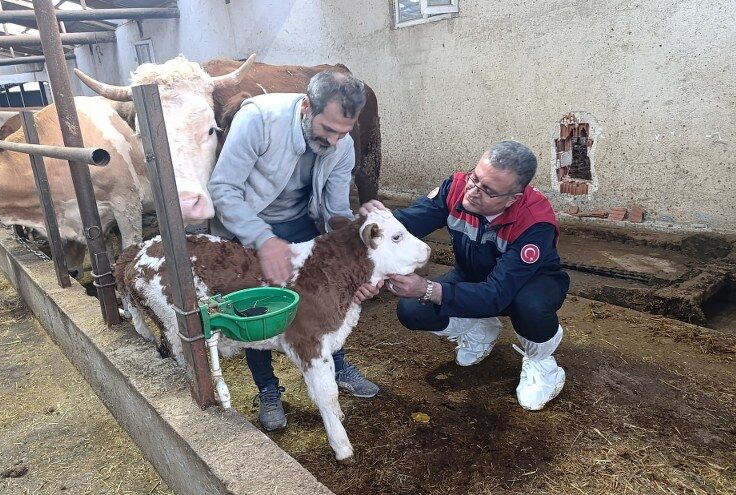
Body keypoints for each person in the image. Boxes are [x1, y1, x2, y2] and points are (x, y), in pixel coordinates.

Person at [208, 71, 380, 431]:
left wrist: (355, 228)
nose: (333, 141)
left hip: (303, 222)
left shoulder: (342, 145)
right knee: (256, 307)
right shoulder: (258, 120)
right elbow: (223, 189)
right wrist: (263, 239)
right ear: (306, 106)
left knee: (326, 298)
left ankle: (337, 363)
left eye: (343, 132)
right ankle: (268, 389)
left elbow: (333, 210)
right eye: (327, 129)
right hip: (247, 223)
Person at [356, 141, 569, 411]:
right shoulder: (456, 189)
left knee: (531, 307)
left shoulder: (534, 223)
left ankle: (541, 362)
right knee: (412, 310)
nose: (473, 191)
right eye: (475, 177)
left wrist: (427, 289)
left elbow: (496, 294)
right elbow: (406, 224)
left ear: (513, 198)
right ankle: (481, 328)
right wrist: (370, 227)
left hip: (527, 285)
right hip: (473, 274)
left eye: (488, 190)